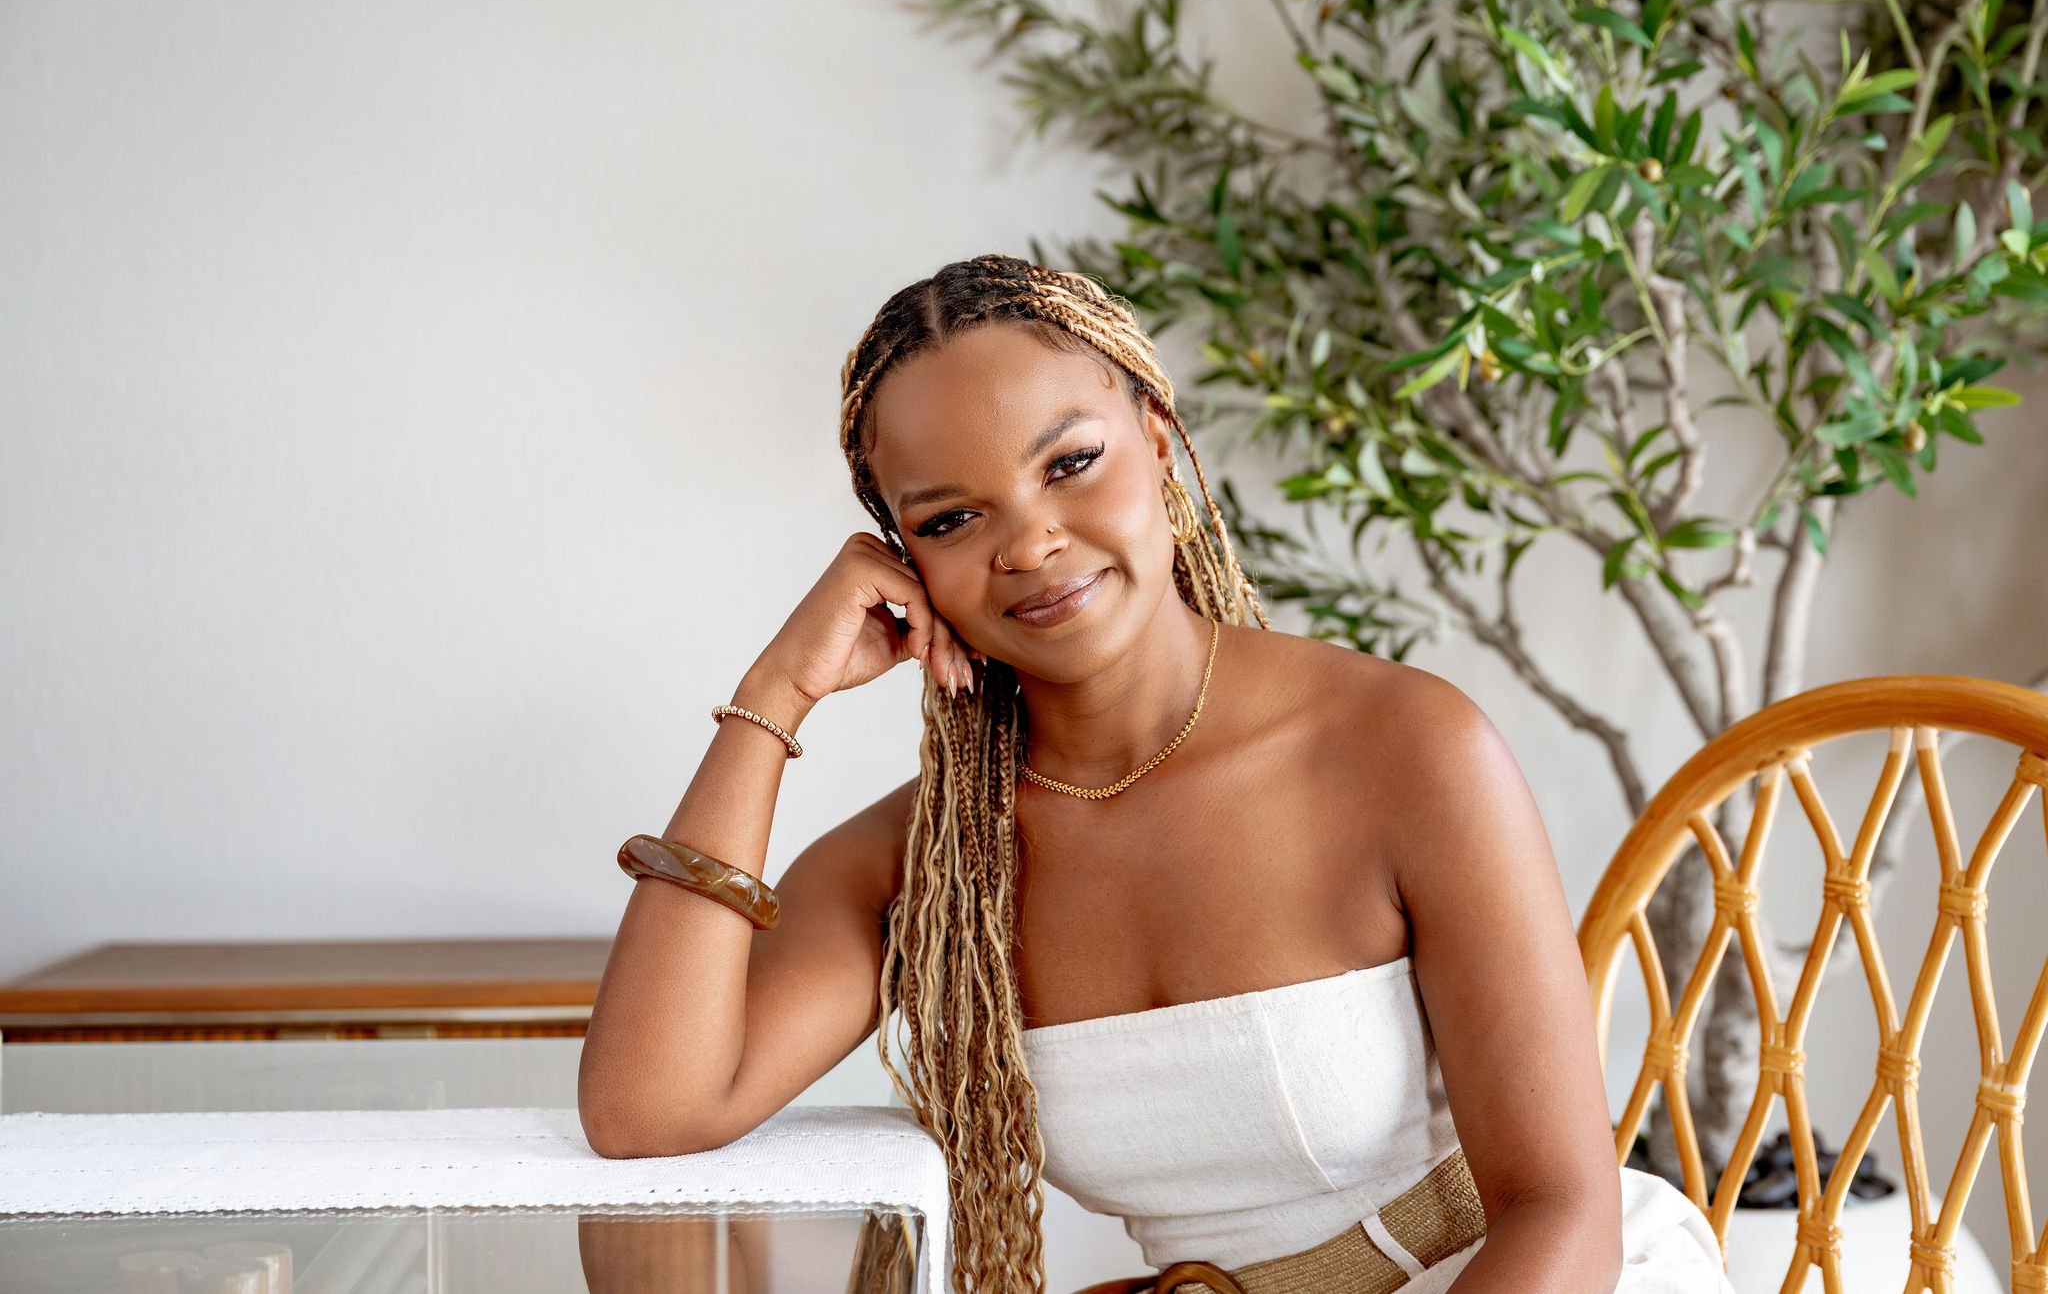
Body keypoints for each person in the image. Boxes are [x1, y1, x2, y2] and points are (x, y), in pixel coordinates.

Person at [577, 253, 1733, 1294]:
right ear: (901, 561)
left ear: (1160, 438)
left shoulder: (1401, 749)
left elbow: (1560, 1213)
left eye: (1070, 464)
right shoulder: (925, 864)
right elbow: (649, 1111)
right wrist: (774, 693)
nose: (1028, 544)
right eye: (950, 518)